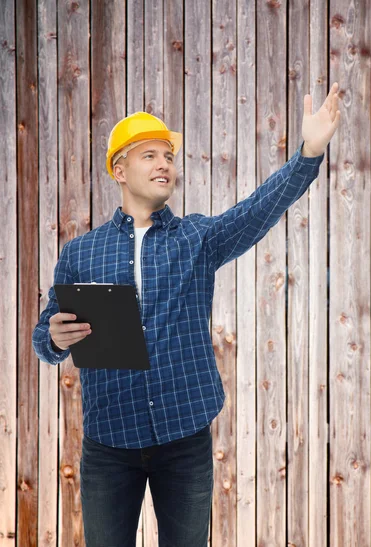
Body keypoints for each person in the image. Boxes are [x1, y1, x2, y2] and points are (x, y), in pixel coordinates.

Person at [31, 83, 341, 547]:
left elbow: (259, 209)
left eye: (169, 157)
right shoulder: (81, 252)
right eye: (150, 155)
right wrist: (55, 337)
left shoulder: (197, 238)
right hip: (109, 443)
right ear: (119, 169)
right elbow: (45, 337)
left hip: (184, 438)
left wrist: (308, 154)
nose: (164, 165)